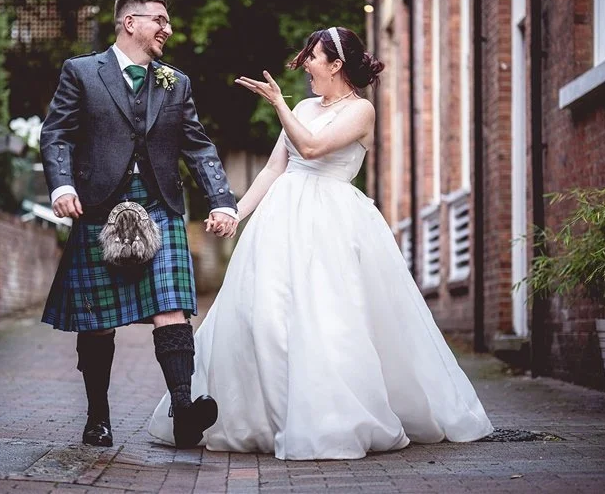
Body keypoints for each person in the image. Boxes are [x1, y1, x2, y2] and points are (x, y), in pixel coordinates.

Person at [148, 27, 493, 460]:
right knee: (264, 317)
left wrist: (278, 104)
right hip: (279, 223)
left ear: (337, 65)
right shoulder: (307, 106)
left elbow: (311, 149)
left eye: (313, 57)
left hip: (331, 223)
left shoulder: (362, 111)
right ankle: (267, 418)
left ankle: (328, 419)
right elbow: (275, 169)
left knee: (328, 319)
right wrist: (237, 211)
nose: (306, 64)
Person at [39, 0, 239, 449]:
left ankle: (184, 411)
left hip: (159, 204)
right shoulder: (83, 72)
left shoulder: (175, 82)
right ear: (130, 22)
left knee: (171, 305)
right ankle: (98, 418)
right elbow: (57, 134)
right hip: (98, 205)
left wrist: (221, 200)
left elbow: (197, 143)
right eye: (159, 21)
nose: (167, 29)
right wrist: (63, 185)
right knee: (98, 318)